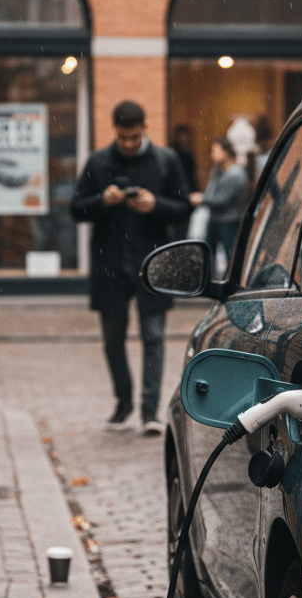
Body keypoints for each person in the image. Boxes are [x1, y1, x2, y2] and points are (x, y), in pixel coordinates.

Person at [71, 100, 191, 434]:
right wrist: (102, 201)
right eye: (123, 138)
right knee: (113, 339)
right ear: (115, 131)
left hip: (152, 263)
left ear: (144, 128)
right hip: (110, 265)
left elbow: (183, 208)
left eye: (134, 137)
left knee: (154, 337)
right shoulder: (98, 161)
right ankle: (123, 402)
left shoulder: (166, 160)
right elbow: (75, 210)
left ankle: (149, 412)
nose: (128, 144)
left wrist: (155, 205)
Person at [190, 136, 249, 278]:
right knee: (208, 253)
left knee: (231, 256)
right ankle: (210, 282)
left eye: (215, 151)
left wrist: (201, 199)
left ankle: (231, 282)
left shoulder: (235, 173)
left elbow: (221, 200)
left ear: (226, 152)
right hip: (216, 220)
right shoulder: (219, 171)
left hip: (228, 222)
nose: (212, 155)